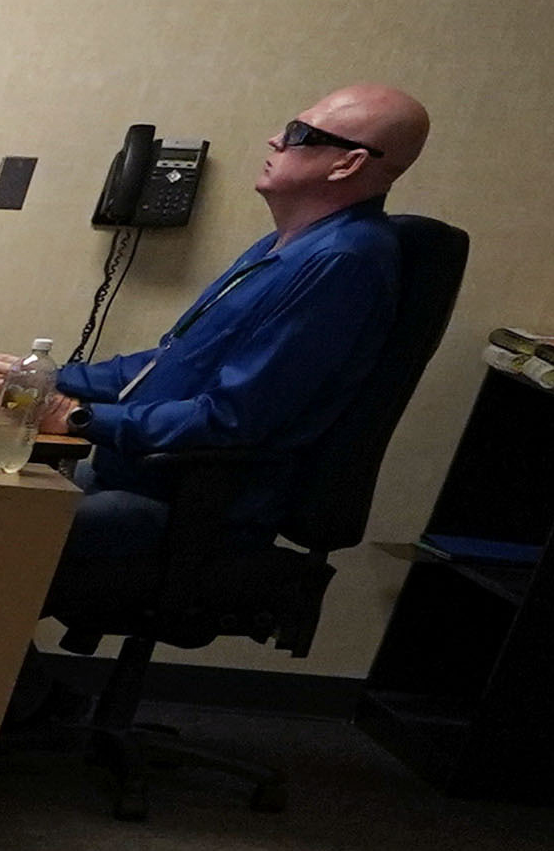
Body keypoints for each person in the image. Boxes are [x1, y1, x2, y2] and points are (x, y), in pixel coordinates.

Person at [27, 84, 430, 627]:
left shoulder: (342, 263)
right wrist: (42, 377)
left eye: (297, 134)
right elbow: (169, 363)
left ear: (348, 163)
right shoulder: (284, 246)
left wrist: (78, 417)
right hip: (137, 480)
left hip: (192, 511)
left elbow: (234, 418)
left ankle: (28, 702)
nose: (274, 139)